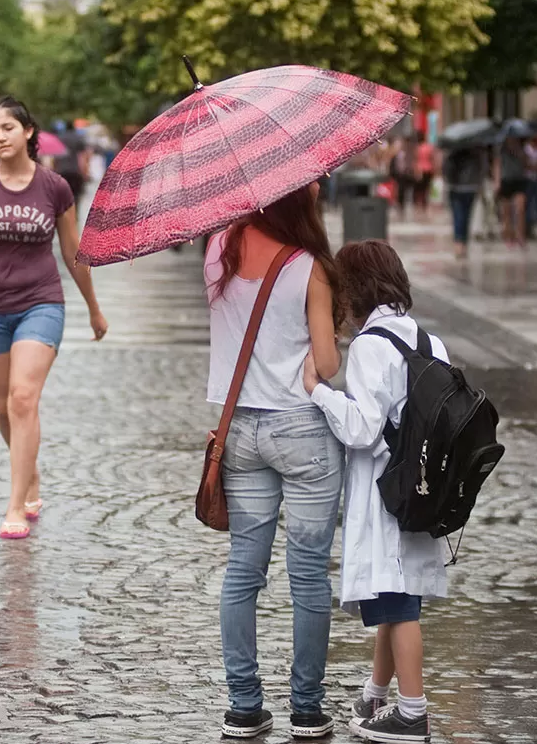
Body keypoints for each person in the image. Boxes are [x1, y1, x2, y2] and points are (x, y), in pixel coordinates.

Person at [204, 181, 344, 740]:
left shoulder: (219, 249)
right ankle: (306, 709)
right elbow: (327, 365)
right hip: (302, 430)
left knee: (244, 570)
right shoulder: (311, 266)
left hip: (240, 430)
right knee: (308, 574)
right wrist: (318, 345)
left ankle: (244, 705)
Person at [302, 240, 449, 744]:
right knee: (396, 594)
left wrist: (319, 392)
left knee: (400, 603)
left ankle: (413, 712)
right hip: (423, 491)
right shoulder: (427, 340)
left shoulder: (369, 346)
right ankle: (375, 695)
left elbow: (363, 429)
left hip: (388, 493)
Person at [0, 96, 108, 541]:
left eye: (7, 128)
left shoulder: (54, 187)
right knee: (3, 408)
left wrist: (93, 309)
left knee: (23, 399)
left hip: (41, 303)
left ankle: (16, 503)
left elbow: (73, 252)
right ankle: (30, 475)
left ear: (27, 132)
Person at [443, 146, 486, 259]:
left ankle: (459, 243)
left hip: (455, 187)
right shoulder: (476, 150)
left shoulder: (452, 151)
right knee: (466, 216)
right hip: (470, 187)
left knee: (458, 216)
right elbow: (482, 168)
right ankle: (463, 243)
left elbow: (445, 168)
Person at [494, 135, 532, 249]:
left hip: (519, 181)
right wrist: (497, 182)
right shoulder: (501, 150)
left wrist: (521, 155)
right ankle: (509, 237)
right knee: (507, 213)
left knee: (520, 210)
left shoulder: (522, 150)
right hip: (506, 181)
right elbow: (497, 165)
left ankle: (520, 237)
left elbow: (527, 165)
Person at [388, 136, 417, 218]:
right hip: (399, 176)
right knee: (401, 192)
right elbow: (393, 164)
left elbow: (413, 163)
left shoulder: (410, 153)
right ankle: (401, 207)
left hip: (408, 175)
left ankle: (407, 206)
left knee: (408, 191)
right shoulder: (397, 154)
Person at [413, 134, 436, 217]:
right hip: (429, 169)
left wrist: (416, 171)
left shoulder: (418, 148)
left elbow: (416, 160)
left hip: (420, 170)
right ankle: (425, 205)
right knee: (426, 188)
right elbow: (432, 158)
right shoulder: (429, 147)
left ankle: (419, 205)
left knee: (420, 189)